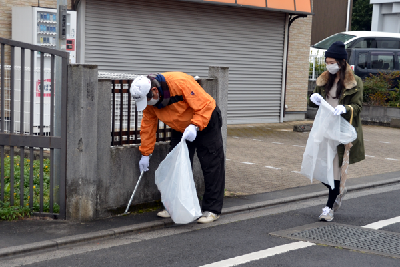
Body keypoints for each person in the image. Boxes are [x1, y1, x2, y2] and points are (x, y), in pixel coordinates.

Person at [129, 72, 225, 224]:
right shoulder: (149, 103)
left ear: (154, 91)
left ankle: (212, 209)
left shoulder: (180, 82)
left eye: (147, 99)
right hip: (181, 127)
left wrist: (195, 126)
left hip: (206, 121)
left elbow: (205, 105)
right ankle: (174, 206)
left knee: (211, 164)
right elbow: (148, 125)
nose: (146, 103)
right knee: (176, 165)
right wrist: (145, 153)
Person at [309, 41, 365, 222]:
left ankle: (328, 208)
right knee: (318, 168)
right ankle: (339, 188)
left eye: (331, 61)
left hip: (340, 132)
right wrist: (313, 98)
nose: (328, 65)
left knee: (333, 170)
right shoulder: (324, 79)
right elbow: (315, 100)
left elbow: (357, 107)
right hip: (323, 128)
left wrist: (345, 108)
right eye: (326, 61)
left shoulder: (354, 82)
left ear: (341, 62)